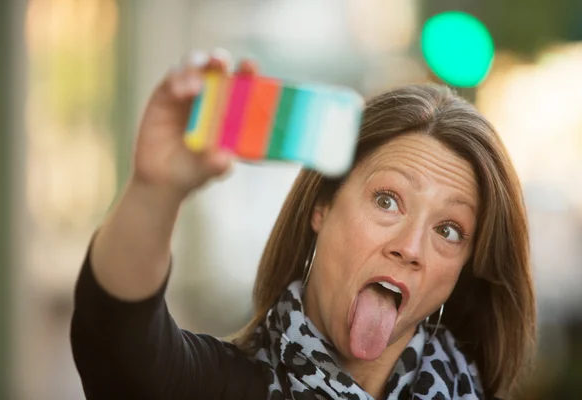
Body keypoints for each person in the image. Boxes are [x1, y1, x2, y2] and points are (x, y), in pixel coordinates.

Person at [70, 50, 536, 400]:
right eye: (388, 200)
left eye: (448, 230)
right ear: (322, 207)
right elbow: (119, 343)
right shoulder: (218, 386)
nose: (411, 247)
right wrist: (155, 189)